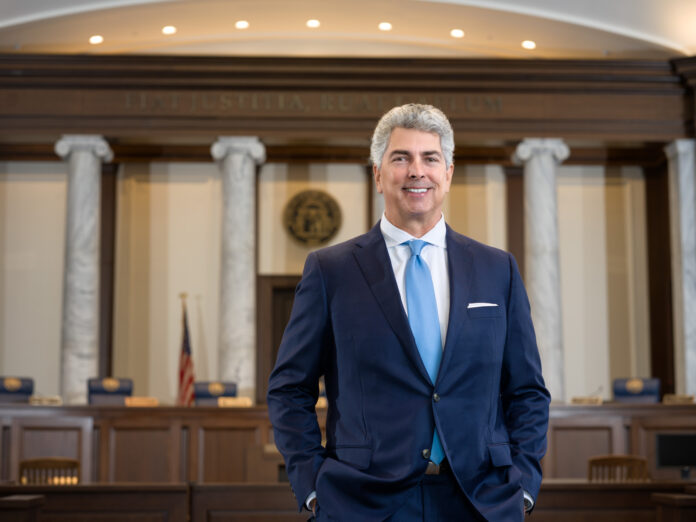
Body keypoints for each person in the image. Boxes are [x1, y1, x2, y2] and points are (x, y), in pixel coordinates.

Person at [267, 103, 550, 521]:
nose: (417, 170)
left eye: (430, 158)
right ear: (379, 174)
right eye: (401, 158)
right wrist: (313, 487)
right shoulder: (331, 271)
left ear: (448, 173)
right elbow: (290, 389)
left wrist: (522, 487)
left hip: (480, 500)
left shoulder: (497, 269)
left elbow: (527, 390)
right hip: (361, 502)